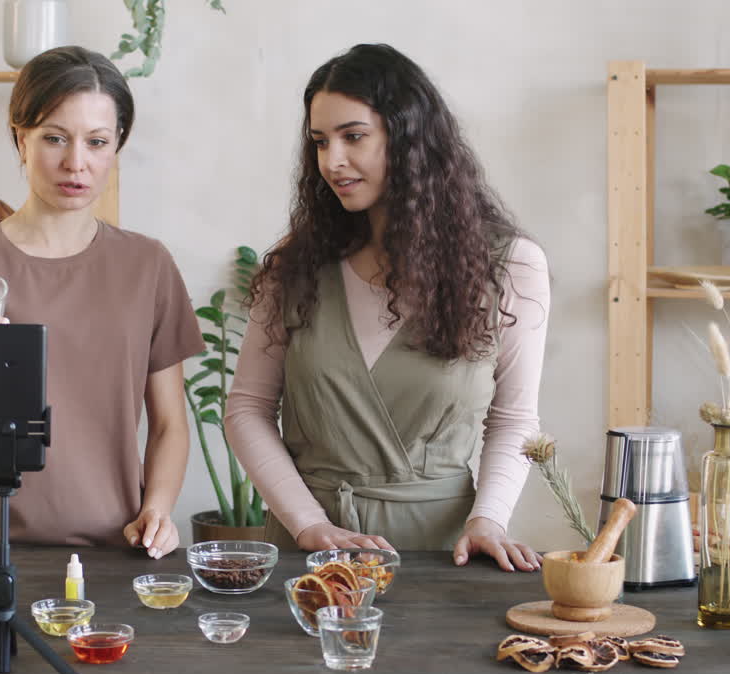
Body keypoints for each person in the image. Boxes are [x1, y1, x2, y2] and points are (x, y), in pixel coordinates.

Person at [224, 44, 550, 572]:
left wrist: (488, 520)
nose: (332, 161)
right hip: (308, 553)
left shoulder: (510, 264)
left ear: (409, 137)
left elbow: (513, 418)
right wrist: (310, 526)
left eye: (353, 136)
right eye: (319, 142)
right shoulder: (296, 267)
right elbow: (246, 410)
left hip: (443, 553)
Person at [0, 46, 203, 559]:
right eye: (54, 138)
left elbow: (169, 423)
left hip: (113, 553)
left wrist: (158, 508)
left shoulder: (147, 265)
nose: (75, 163)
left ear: (117, 145)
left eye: (97, 141)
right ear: (21, 137)